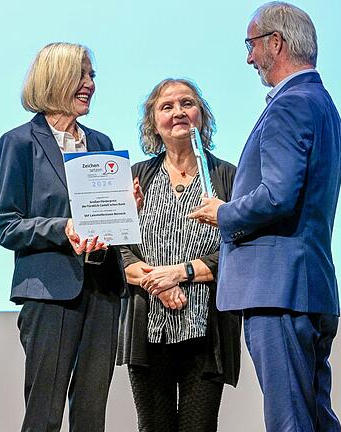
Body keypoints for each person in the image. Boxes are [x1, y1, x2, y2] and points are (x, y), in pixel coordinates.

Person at [189, 2, 341, 431]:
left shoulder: (291, 104)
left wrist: (224, 212)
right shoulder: (323, 103)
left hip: (278, 293)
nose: (248, 57)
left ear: (275, 43)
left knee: (289, 421)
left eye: (251, 45)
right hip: (306, 288)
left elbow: (277, 196)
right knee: (313, 418)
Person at [0, 42, 126, 432]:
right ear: (55, 79)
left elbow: (108, 221)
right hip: (50, 294)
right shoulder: (18, 143)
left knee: (91, 416)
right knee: (44, 416)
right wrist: (61, 228)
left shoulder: (100, 144)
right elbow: (8, 225)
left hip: (102, 291)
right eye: (81, 75)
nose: (89, 84)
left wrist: (124, 207)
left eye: (92, 76)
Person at [116, 78, 241, 432]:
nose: (178, 113)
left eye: (187, 104)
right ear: (153, 122)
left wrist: (181, 273)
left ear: (201, 115)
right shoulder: (136, 176)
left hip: (206, 331)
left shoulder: (228, 176)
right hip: (148, 329)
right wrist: (157, 282)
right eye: (166, 107)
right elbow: (118, 249)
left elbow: (239, 248)